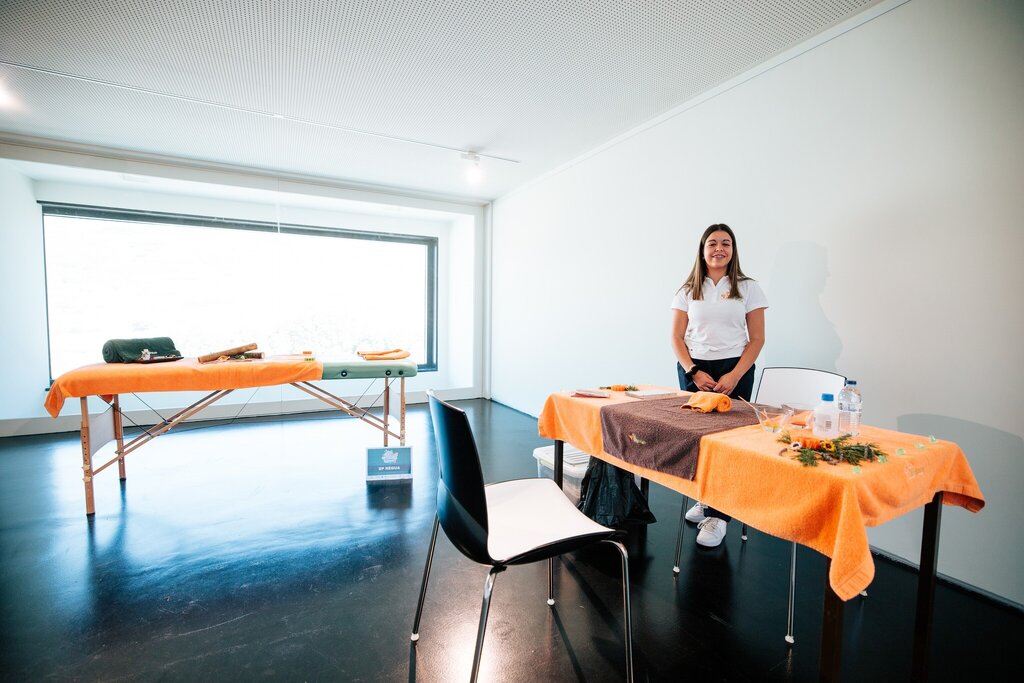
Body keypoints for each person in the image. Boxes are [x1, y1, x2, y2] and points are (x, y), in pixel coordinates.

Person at [670, 223, 767, 548]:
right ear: (702, 250)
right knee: (697, 439)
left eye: (726, 243)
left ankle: (719, 516)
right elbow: (676, 337)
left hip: (734, 369)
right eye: (712, 243)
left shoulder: (748, 287)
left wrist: (735, 375)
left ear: (733, 250)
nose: (719, 249)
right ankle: (706, 497)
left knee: (729, 443)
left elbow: (757, 339)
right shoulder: (687, 290)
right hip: (695, 370)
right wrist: (693, 372)